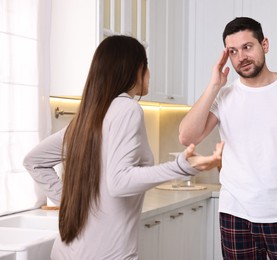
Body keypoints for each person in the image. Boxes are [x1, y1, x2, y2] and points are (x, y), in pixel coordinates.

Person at [23, 35, 224, 260]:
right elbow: (119, 182)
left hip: (65, 253)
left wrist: (72, 204)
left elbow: (34, 161)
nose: (149, 73)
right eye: (146, 65)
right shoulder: (127, 109)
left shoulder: (87, 118)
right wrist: (181, 166)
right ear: (135, 69)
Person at [179, 17, 277, 259]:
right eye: (233, 51)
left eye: (247, 47)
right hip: (236, 218)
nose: (241, 57)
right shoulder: (224, 96)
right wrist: (214, 85)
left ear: (265, 44)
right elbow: (187, 136)